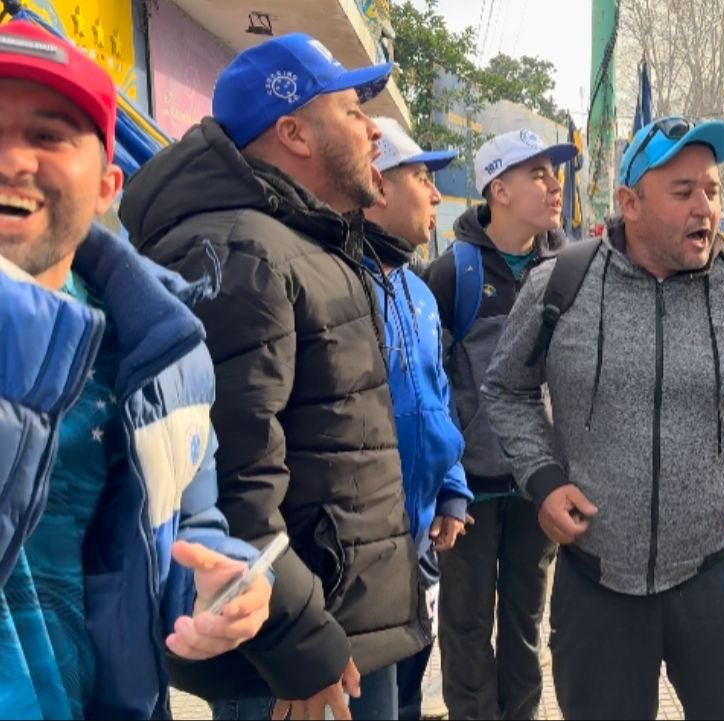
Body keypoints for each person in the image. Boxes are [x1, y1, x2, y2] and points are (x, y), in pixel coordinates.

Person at [481, 116, 724, 719]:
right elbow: (506, 388)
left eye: (712, 190)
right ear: (630, 202)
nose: (705, 208)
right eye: (683, 192)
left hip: (718, 574)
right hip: (597, 578)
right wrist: (540, 480)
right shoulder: (560, 285)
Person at [119, 33, 426, 721]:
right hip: (291, 661)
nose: (374, 130)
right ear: (293, 132)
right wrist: (298, 644)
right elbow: (225, 478)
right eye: (352, 110)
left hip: (335, 635)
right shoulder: (243, 252)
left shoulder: (299, 242)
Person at [0, 20, 271, 719]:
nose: (11, 159)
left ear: (107, 185)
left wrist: (220, 585)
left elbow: (187, 518)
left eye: (49, 134)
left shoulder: (163, 347)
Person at [421, 128, 575, 720]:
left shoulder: (570, 269)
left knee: (526, 623)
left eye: (554, 172)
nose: (554, 185)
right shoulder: (451, 274)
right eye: (538, 173)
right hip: (471, 491)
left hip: (540, 488)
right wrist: (443, 482)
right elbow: (430, 386)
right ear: (499, 189)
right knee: (464, 626)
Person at [362, 116, 473, 721]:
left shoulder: (420, 292)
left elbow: (438, 401)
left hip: (420, 544)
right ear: (378, 186)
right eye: (422, 178)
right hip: (357, 555)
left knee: (405, 697)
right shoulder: (338, 285)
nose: (435, 195)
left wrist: (452, 491)